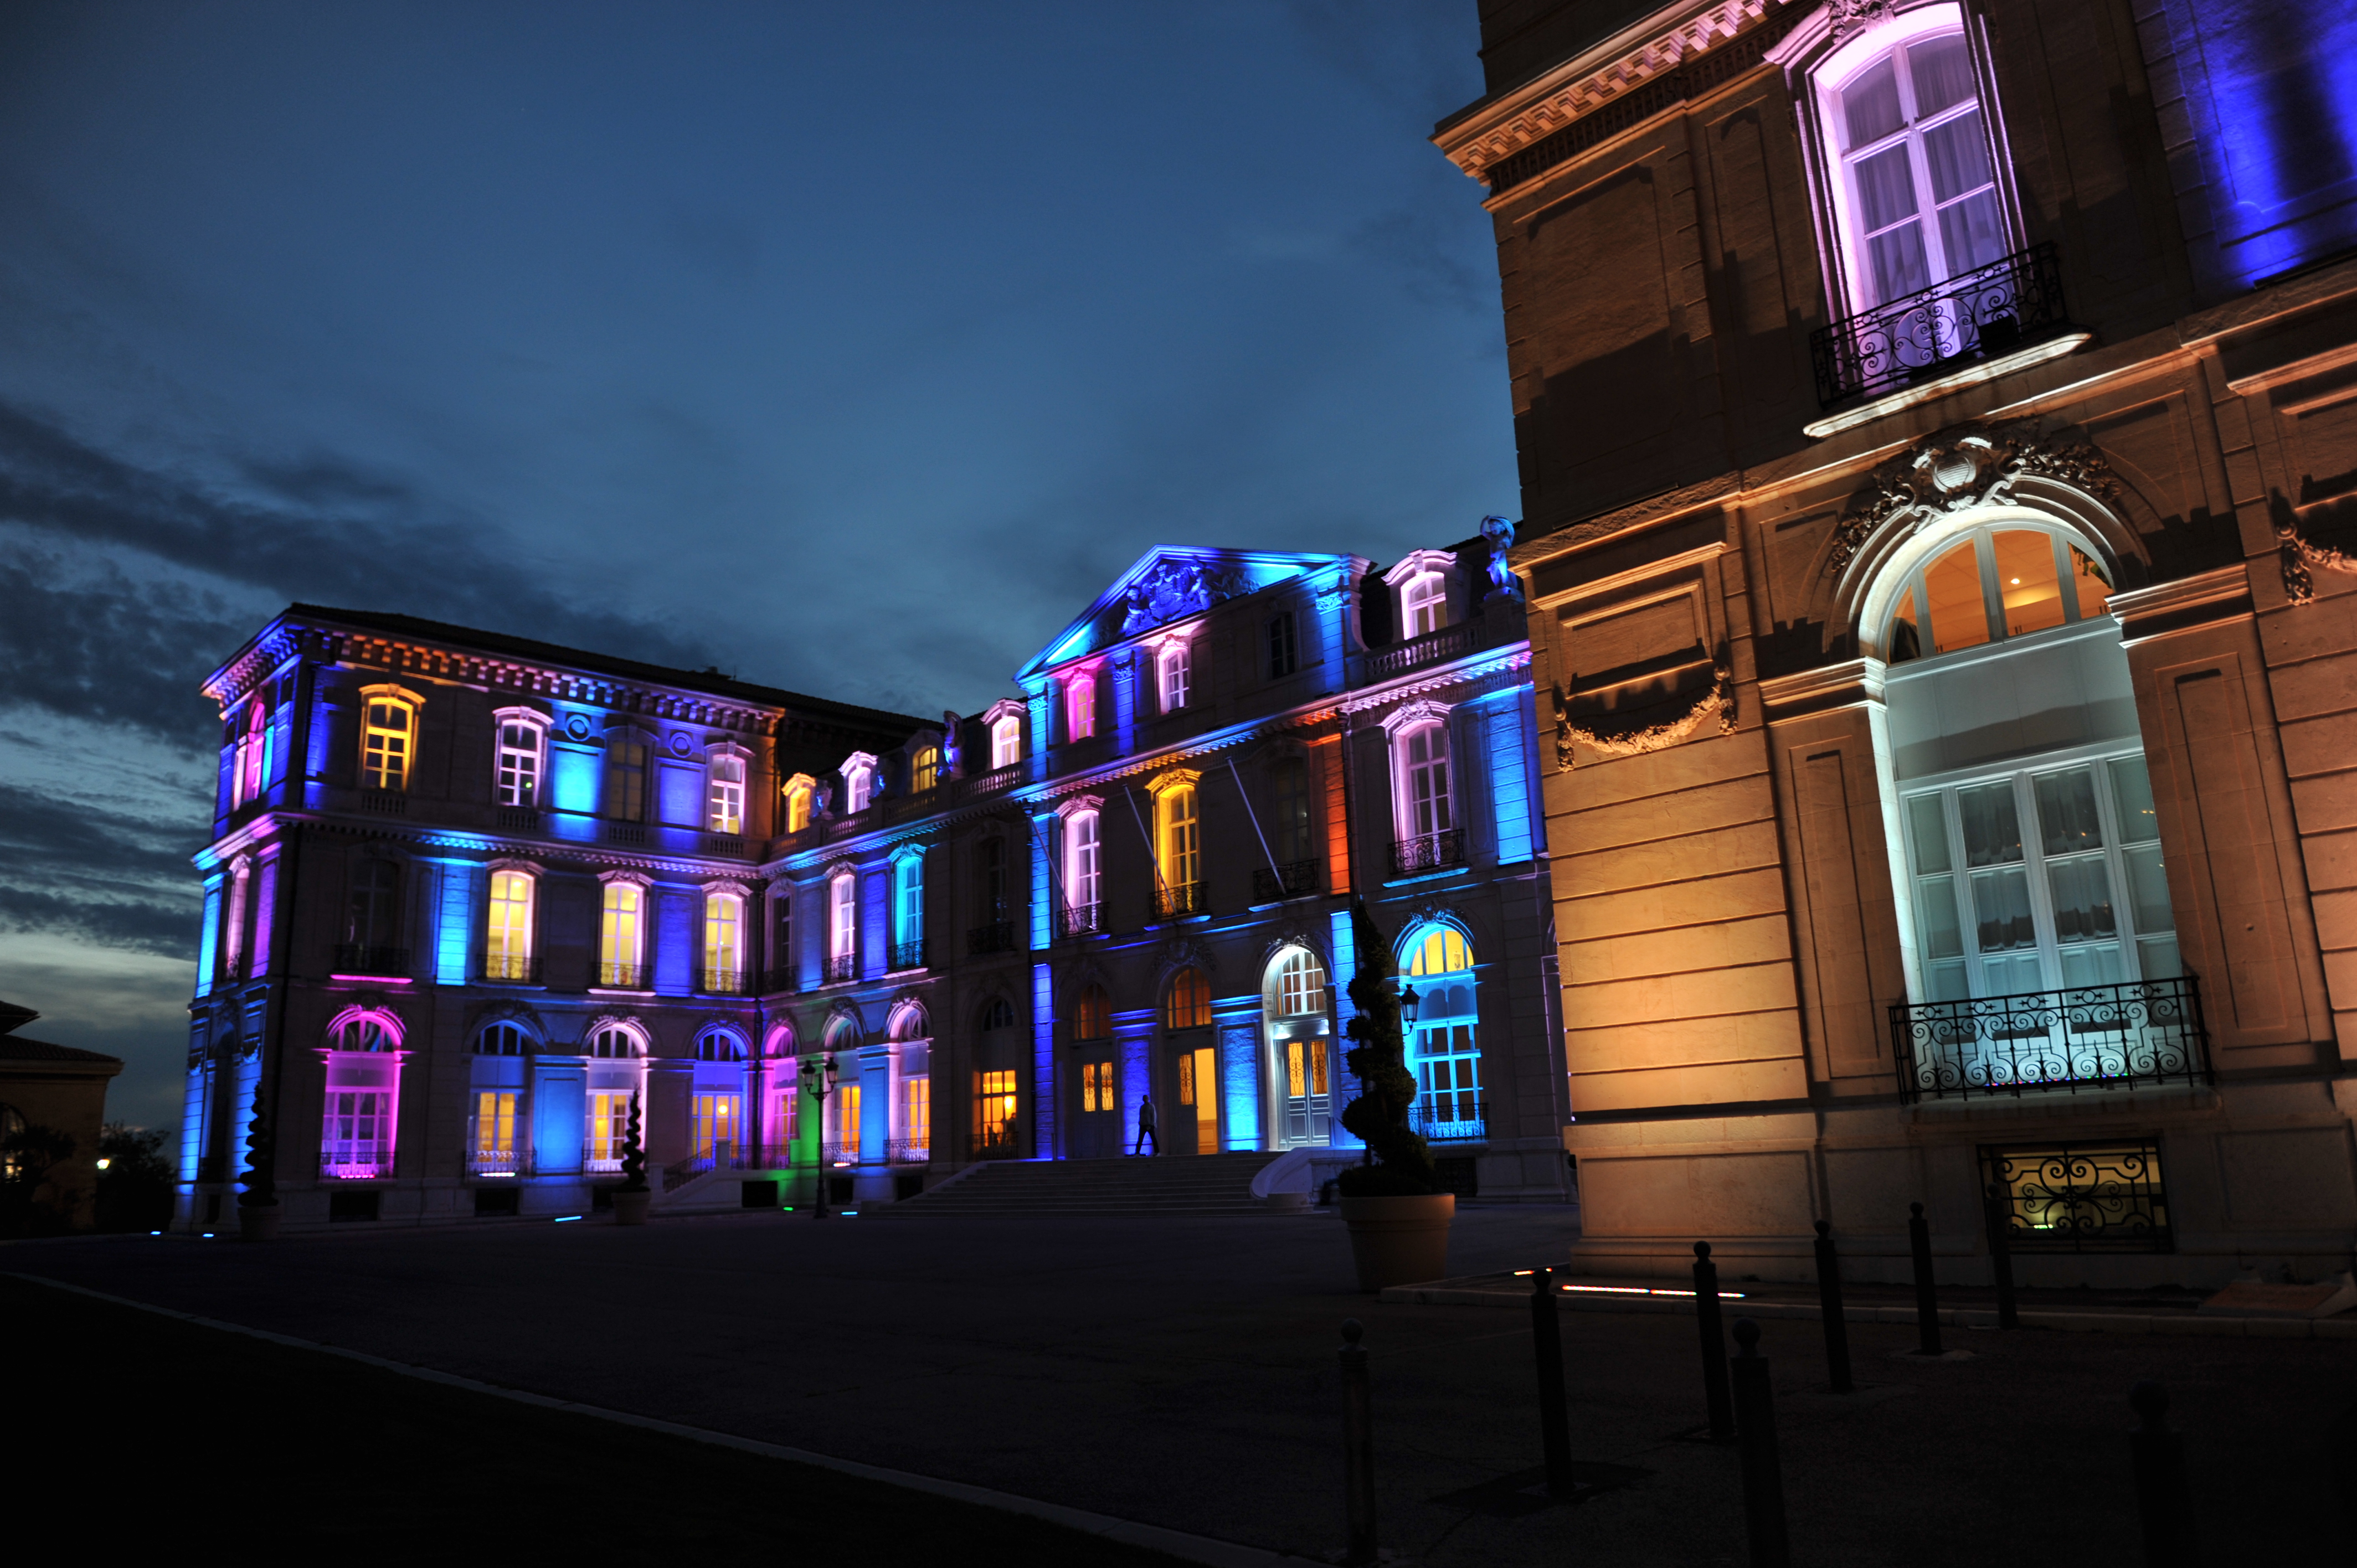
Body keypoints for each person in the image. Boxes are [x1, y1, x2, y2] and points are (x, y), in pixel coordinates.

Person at [1133, 1092, 1158, 1156]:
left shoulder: (1151, 1106)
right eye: (1144, 1098)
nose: (1145, 1099)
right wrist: (1140, 1122)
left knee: (1153, 1139)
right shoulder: (1142, 1107)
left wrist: (1151, 1124)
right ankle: (1137, 1152)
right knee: (1140, 1139)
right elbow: (1141, 1115)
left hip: (1150, 1125)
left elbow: (1153, 1115)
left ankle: (1157, 1151)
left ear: (1148, 1099)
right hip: (1143, 1125)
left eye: (1146, 1098)